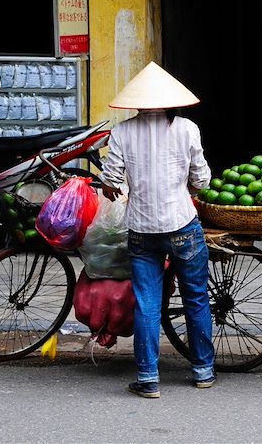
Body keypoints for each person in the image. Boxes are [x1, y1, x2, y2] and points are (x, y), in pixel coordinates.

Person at [99, 61, 215, 399]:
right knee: (195, 298)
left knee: (147, 303)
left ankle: (148, 378)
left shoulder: (122, 132)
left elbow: (111, 179)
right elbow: (202, 180)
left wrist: (111, 188)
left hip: (142, 229)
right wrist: (190, 188)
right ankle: (203, 371)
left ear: (136, 102)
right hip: (182, 226)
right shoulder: (187, 129)